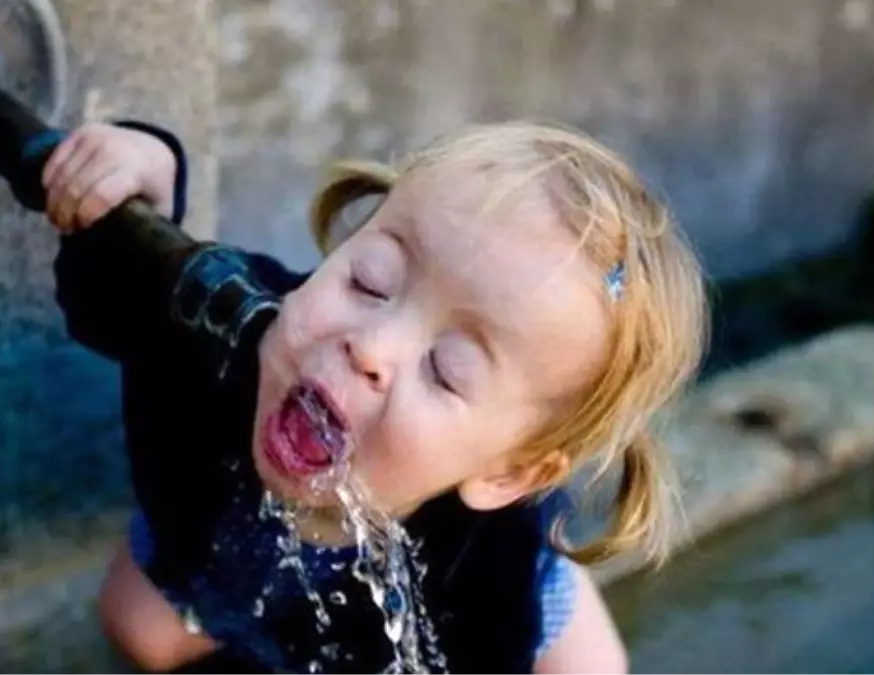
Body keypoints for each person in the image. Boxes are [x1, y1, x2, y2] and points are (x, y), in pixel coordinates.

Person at [41, 118, 708, 675]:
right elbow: (115, 280)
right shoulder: (221, 328)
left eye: (445, 371)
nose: (370, 348)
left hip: (477, 550)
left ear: (505, 469)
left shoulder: (481, 576)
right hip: (217, 552)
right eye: (369, 279)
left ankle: (559, 575)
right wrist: (143, 175)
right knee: (140, 632)